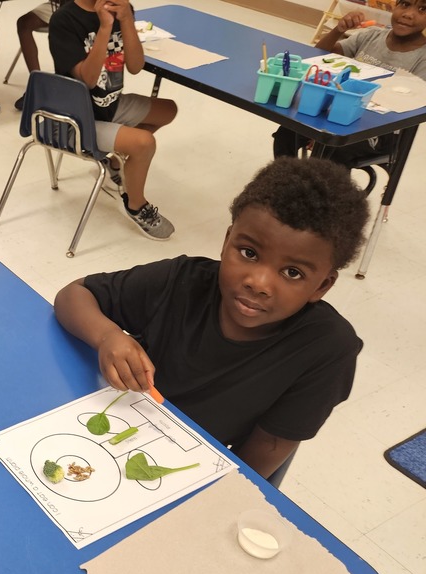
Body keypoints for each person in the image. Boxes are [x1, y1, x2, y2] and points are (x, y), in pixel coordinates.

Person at [53, 157, 368, 481]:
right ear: (227, 240)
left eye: (292, 272)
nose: (258, 283)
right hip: (126, 425)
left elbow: (270, 447)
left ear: (322, 286)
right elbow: (73, 295)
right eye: (248, 253)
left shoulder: (328, 349)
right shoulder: (181, 280)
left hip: (204, 465)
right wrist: (108, 337)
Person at [48, 0, 177, 239]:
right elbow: (87, 79)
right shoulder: (64, 20)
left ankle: (114, 165)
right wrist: (105, 28)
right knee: (144, 143)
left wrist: (126, 19)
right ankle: (136, 205)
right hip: (76, 120)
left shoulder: (120, 10)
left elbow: (136, 66)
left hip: (109, 105)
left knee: (167, 110)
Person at [273, 0, 426, 163]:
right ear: (394, 6)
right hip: (338, 113)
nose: (408, 14)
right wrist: (338, 30)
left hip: (380, 131)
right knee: (287, 133)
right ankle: (287, 183)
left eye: (422, 9)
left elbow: (413, 104)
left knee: (335, 149)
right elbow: (321, 57)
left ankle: (321, 188)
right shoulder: (371, 35)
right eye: (404, 4)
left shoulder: (422, 58)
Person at [12, 0, 73, 110]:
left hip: (85, 5)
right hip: (58, 4)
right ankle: (38, 84)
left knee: (62, 26)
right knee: (24, 23)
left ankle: (68, 83)